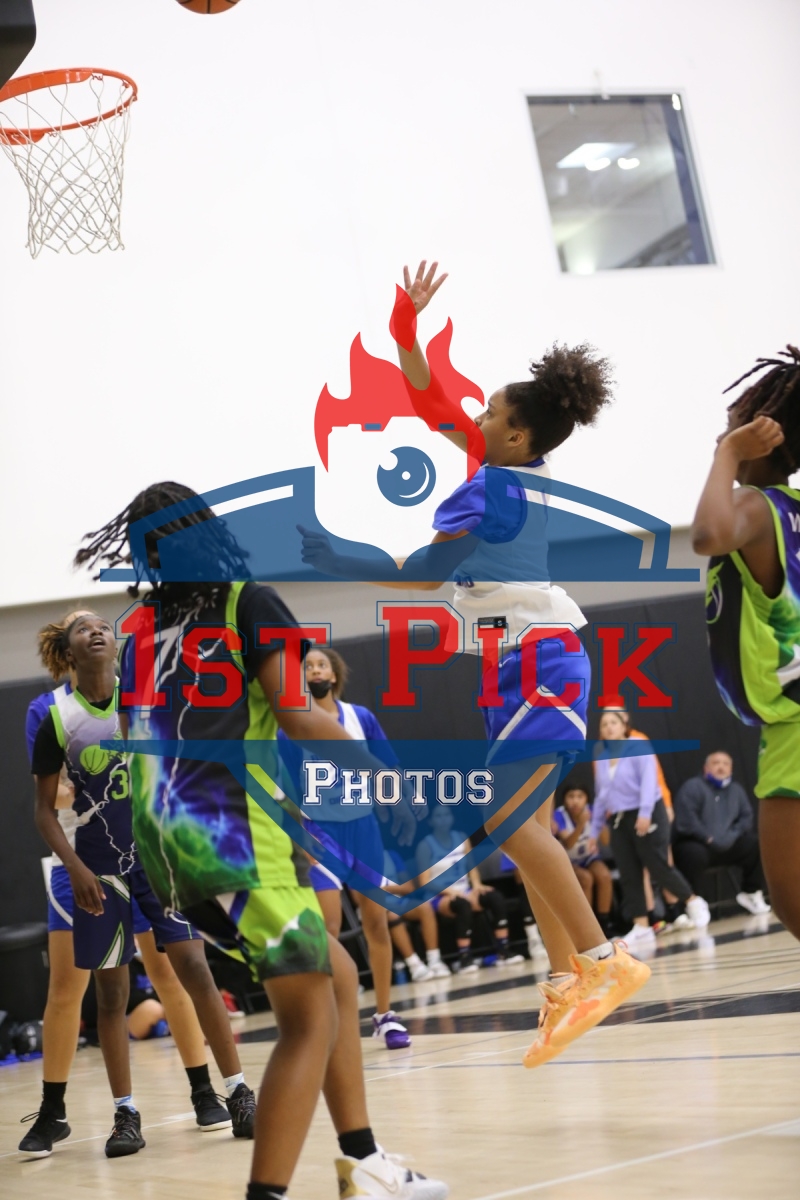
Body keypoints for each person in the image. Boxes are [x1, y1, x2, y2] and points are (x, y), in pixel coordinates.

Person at [301, 261, 651, 1069]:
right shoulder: (518, 467)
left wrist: (338, 560)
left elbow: (423, 575)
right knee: (524, 829)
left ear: (516, 434)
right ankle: (564, 978)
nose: (477, 416)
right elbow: (434, 406)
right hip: (512, 665)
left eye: (490, 411)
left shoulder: (490, 490)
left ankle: (603, 960)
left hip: (541, 662)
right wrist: (405, 329)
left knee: (505, 820)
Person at [76, 482, 448, 1200]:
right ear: (210, 531)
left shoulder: (141, 628)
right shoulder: (249, 603)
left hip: (167, 848)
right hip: (233, 841)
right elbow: (299, 715)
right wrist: (385, 776)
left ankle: (364, 1161)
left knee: (338, 976)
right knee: (309, 1020)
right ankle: (268, 1192)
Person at [19, 611, 255, 1161]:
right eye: (82, 628)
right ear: (66, 651)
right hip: (91, 862)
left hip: (159, 855)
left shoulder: (148, 698)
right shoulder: (50, 713)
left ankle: (229, 1090)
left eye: (103, 624)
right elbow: (48, 803)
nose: (96, 630)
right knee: (97, 992)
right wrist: (77, 864)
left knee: (189, 969)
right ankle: (106, 1111)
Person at [692, 347, 800, 945]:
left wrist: (727, 456)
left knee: (791, 899)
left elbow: (707, 534)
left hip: (795, 727)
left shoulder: (756, 508)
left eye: (734, 426)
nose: (721, 435)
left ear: (766, 436)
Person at [280, 645, 412, 1047]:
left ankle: (385, 1015)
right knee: (329, 928)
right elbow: (284, 788)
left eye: (322, 664)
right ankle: (332, 1018)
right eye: (307, 666)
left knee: (377, 922)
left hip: (364, 828)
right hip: (320, 833)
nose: (315, 670)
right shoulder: (289, 728)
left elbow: (388, 766)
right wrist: (297, 834)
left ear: (334, 675)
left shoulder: (360, 718)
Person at [590, 710, 710, 953]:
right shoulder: (601, 755)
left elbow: (649, 781)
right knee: (629, 871)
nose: (609, 727)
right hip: (619, 818)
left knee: (657, 864)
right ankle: (641, 925)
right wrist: (594, 832)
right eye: (604, 724)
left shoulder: (638, 746)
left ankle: (693, 901)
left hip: (648, 811)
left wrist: (645, 813)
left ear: (624, 726)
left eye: (613, 722)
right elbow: (602, 794)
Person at [416, 805, 525, 971]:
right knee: (462, 905)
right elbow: (424, 882)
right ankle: (464, 958)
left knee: (494, 897)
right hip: (439, 896)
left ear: (452, 818)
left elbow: (471, 868)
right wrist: (450, 891)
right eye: (438, 816)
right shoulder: (425, 845)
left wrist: (477, 885)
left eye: (446, 815)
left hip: (464, 891)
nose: (443, 819)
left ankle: (503, 949)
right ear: (431, 821)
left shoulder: (461, 838)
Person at [672, 752, 770, 914]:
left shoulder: (736, 790)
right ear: (706, 768)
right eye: (716, 763)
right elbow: (687, 821)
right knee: (692, 854)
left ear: (731, 769)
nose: (721, 767)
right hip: (701, 844)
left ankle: (751, 892)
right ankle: (693, 903)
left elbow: (746, 817)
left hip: (728, 844)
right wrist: (707, 838)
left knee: (755, 844)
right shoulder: (693, 787)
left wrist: (732, 835)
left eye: (725, 764)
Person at [551, 786, 614, 935]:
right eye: (571, 796)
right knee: (585, 879)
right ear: (564, 800)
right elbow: (568, 843)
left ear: (586, 799)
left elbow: (606, 842)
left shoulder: (592, 811)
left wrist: (600, 821)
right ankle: (588, 929)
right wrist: (580, 825)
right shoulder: (558, 815)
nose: (575, 801)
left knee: (604, 875)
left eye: (580, 797)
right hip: (567, 861)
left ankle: (604, 925)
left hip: (588, 857)